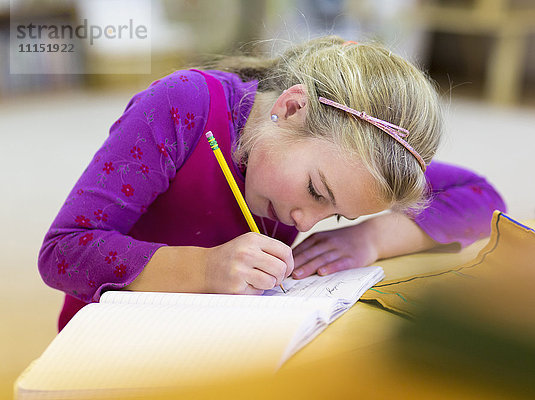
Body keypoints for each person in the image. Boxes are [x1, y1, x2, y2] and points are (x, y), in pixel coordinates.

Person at [38, 36, 506, 331]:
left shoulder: (352, 156)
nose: (306, 221)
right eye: (317, 191)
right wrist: (205, 270)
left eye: (336, 214)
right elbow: (63, 253)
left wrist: (371, 235)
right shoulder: (184, 104)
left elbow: (483, 200)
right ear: (292, 108)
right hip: (115, 344)